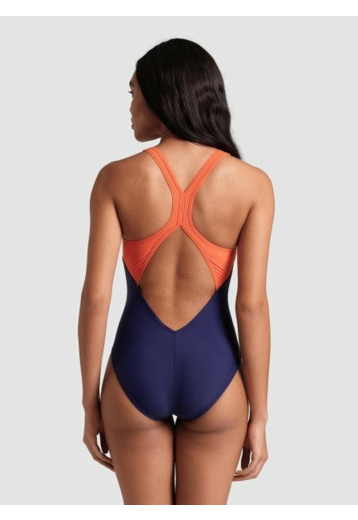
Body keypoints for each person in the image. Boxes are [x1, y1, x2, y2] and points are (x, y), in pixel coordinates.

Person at [78, 37, 274, 505]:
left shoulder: (115, 178)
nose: (129, 107)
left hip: (133, 372)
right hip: (216, 374)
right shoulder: (253, 185)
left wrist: (89, 403)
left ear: (162, 97)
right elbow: (251, 306)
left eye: (133, 93)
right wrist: (260, 417)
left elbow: (96, 298)